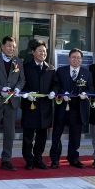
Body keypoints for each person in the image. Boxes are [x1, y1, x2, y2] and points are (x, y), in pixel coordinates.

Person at [0, 36, 25, 171]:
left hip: (12, 102)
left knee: (10, 132)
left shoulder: (18, 61)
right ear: (2, 46)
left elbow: (22, 79)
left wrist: (18, 89)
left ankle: (6, 160)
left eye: (13, 46)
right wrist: (0, 88)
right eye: (9, 46)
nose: (11, 48)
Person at [49, 48, 92, 169]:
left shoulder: (87, 73)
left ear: (81, 60)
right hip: (62, 107)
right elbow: (56, 85)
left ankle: (73, 158)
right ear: (69, 59)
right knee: (57, 134)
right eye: (73, 57)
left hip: (78, 108)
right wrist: (62, 93)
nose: (76, 60)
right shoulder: (61, 71)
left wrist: (86, 94)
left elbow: (90, 88)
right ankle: (55, 159)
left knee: (75, 135)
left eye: (78, 58)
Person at [20, 40, 56, 170]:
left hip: (45, 107)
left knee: (42, 136)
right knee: (28, 136)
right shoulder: (26, 67)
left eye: (44, 51)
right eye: (40, 51)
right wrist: (26, 93)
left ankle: (38, 158)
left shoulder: (50, 68)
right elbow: (21, 83)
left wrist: (53, 91)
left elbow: (55, 84)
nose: (43, 53)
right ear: (33, 52)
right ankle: (28, 159)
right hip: (30, 106)